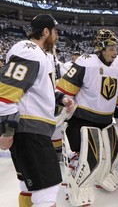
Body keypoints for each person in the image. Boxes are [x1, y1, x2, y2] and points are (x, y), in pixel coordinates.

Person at [0, 14, 74, 207]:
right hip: (30, 131)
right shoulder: (29, 51)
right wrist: (7, 131)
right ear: (46, 31)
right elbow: (6, 93)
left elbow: (39, 89)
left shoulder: (40, 54)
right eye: (55, 31)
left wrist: (62, 98)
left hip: (31, 129)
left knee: (27, 186)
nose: (57, 36)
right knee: (47, 192)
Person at [56, 29, 118, 205]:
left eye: (115, 49)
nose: (115, 52)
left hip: (105, 121)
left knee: (108, 155)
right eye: (111, 49)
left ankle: (101, 176)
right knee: (82, 157)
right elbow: (63, 89)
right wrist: (63, 104)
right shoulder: (86, 62)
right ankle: (72, 186)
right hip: (81, 120)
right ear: (101, 48)